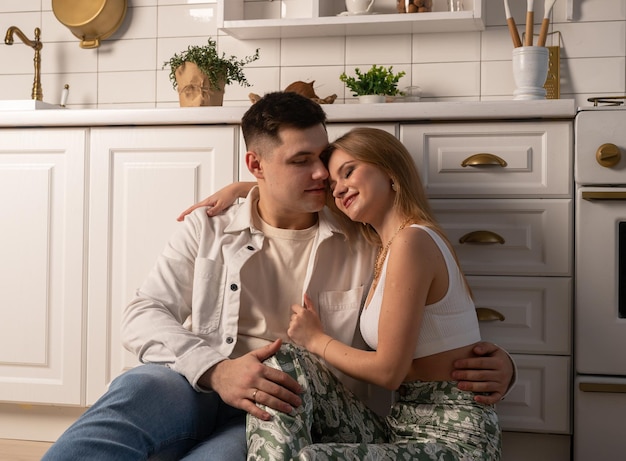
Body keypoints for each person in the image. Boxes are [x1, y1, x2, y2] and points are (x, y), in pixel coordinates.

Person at [42, 92, 512, 461]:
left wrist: (500, 366)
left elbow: (429, 312)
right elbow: (142, 314)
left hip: (284, 409)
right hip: (200, 383)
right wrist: (217, 370)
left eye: (324, 158)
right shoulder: (211, 224)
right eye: (300, 161)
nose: (323, 175)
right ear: (256, 164)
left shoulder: (365, 234)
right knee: (136, 389)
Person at [244, 127, 502, 460]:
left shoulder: (414, 242)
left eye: (348, 172)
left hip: (455, 437)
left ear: (389, 169)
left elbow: (388, 372)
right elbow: (283, 195)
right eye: (333, 185)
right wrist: (245, 188)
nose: (338, 189)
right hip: (401, 426)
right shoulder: (384, 247)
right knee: (284, 362)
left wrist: (315, 339)